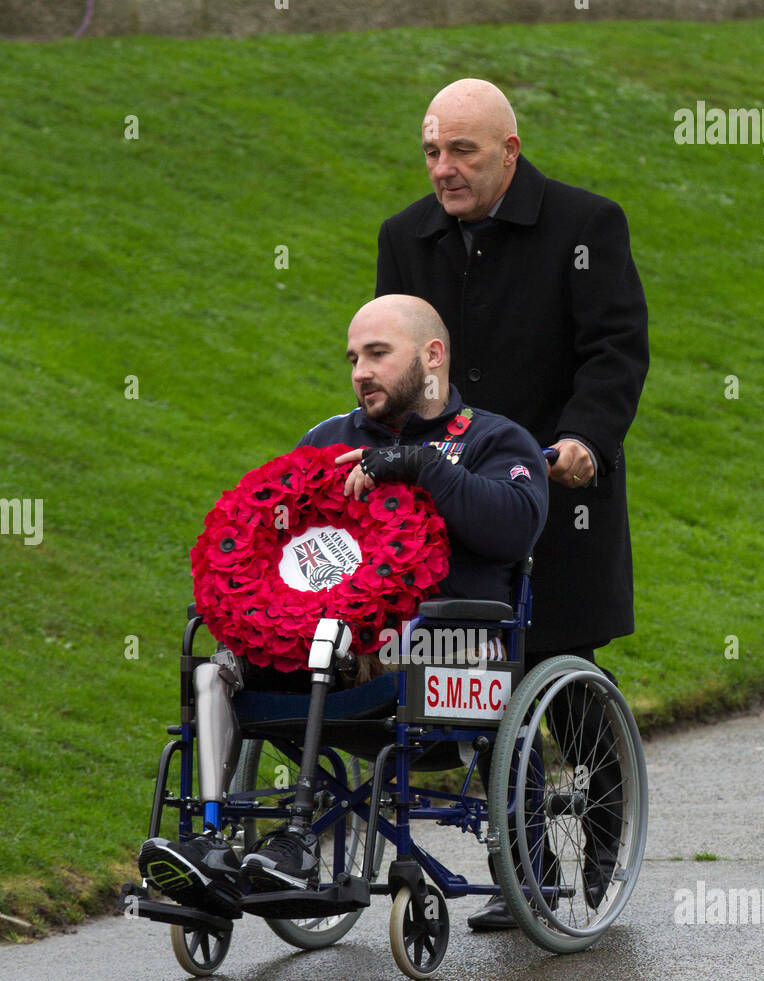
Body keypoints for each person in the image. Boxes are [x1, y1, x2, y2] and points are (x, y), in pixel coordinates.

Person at [137, 294, 548, 912]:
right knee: (215, 666)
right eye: (354, 357)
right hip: (324, 653)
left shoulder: (497, 439)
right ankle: (208, 846)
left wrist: (420, 468)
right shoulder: (327, 440)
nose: (360, 371)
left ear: (432, 356)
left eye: (378, 354)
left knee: (337, 637)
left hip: (449, 651)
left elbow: (515, 528)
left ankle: (300, 840)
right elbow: (272, 542)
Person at [376, 78, 649, 928]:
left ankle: (599, 840)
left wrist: (583, 444)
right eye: (432, 151)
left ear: (510, 150)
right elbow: (396, 357)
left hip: (551, 487)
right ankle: (524, 868)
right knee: (480, 676)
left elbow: (614, 353)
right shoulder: (407, 237)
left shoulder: (584, 226)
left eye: (463, 151)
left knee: (553, 664)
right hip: (450, 494)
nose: (444, 169)